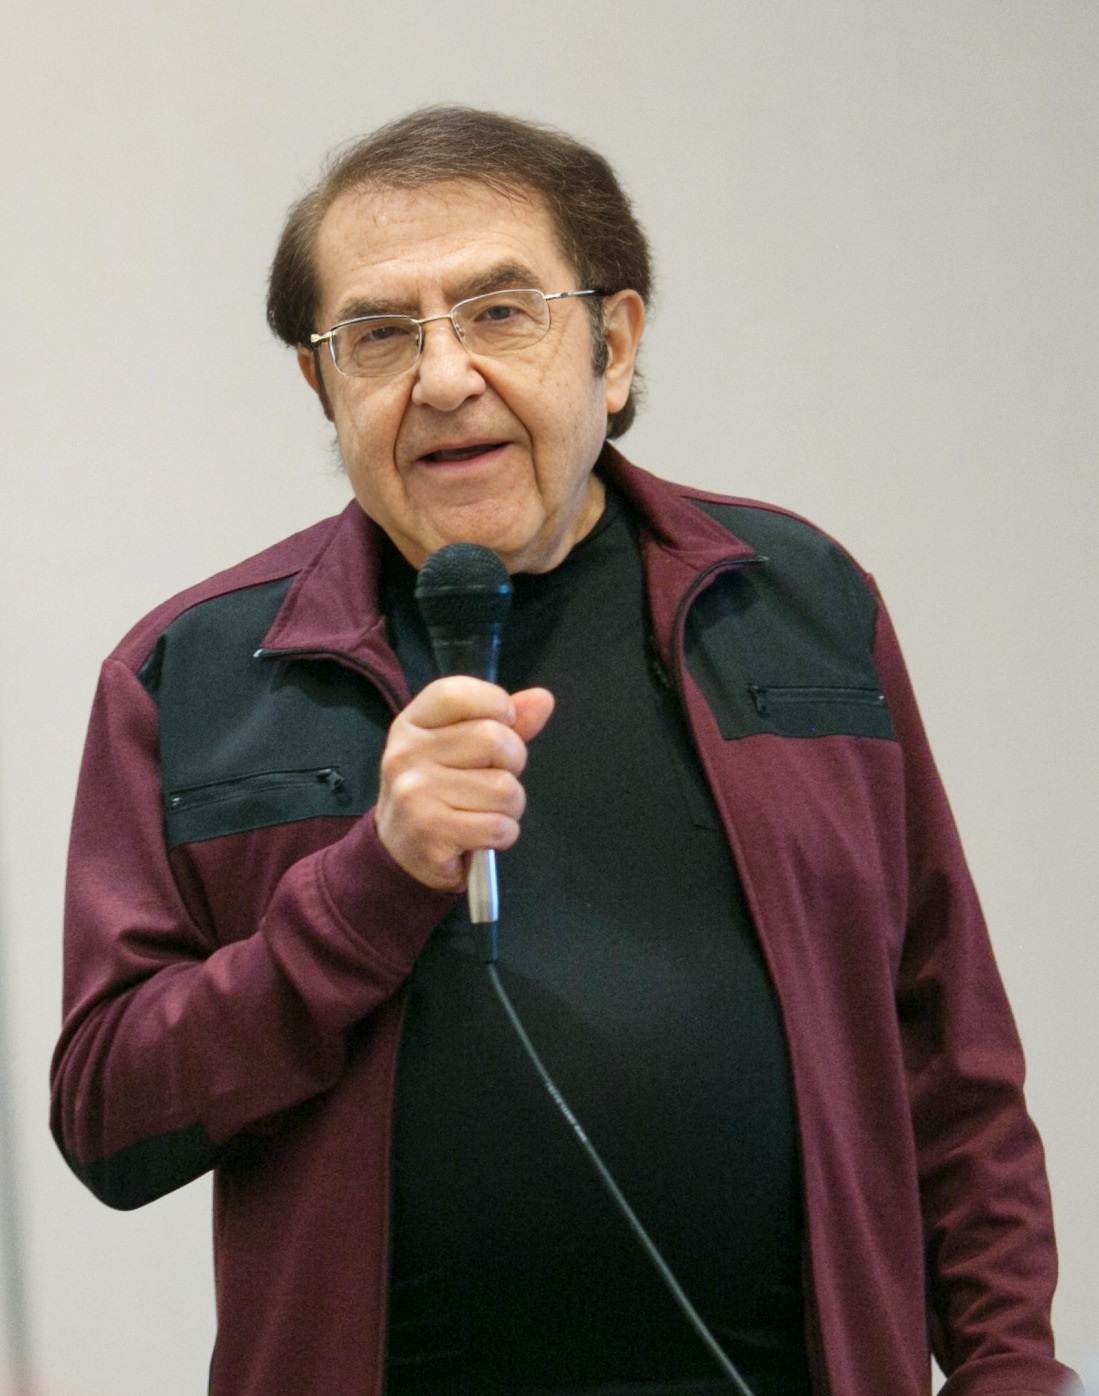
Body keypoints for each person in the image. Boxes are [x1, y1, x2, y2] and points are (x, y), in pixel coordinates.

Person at [51, 106, 1078, 1396]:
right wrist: (371, 886)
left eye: (500, 313)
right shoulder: (193, 675)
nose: (442, 379)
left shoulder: (799, 603)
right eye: (379, 335)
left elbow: (950, 1062)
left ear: (614, 345)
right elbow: (111, 1121)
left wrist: (1010, 1368)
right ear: (322, 387)